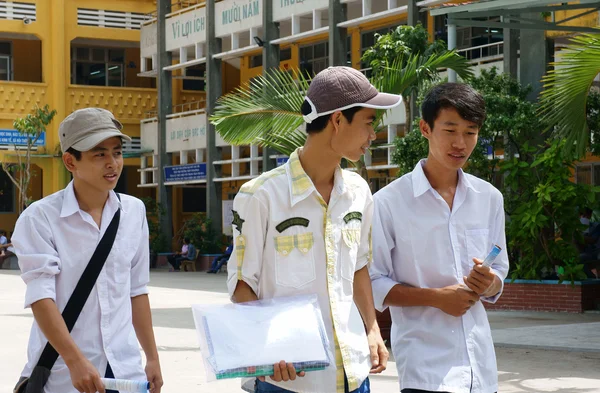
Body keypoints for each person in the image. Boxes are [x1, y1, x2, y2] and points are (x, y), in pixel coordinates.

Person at [227, 66, 402, 393]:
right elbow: (241, 284)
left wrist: (372, 330)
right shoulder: (261, 196)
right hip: (290, 382)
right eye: (368, 123)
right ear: (337, 120)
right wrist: (269, 346)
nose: (372, 135)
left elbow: (360, 266)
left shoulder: (358, 192)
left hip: (354, 375)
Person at [370, 83, 510, 393]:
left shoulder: (489, 198)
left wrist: (488, 283)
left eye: (470, 132)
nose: (460, 143)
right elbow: (373, 282)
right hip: (425, 370)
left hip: (481, 371)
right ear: (425, 128)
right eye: (450, 130)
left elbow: (499, 268)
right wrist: (436, 298)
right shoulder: (388, 202)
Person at [12, 108, 163, 393]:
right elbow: (41, 298)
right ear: (70, 161)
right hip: (66, 374)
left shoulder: (133, 211)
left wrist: (152, 357)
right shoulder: (39, 219)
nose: (112, 163)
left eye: (117, 153)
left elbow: (137, 290)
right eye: (99, 154)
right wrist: (75, 361)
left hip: (123, 368)